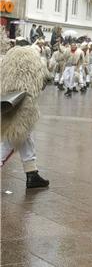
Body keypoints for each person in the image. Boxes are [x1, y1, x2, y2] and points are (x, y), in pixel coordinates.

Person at [1, 42, 50, 188]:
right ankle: (32, 174)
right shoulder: (36, 60)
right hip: (25, 105)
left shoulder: (7, 59)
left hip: (7, 101)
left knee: (26, 137)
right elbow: (45, 80)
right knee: (12, 138)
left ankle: (32, 173)